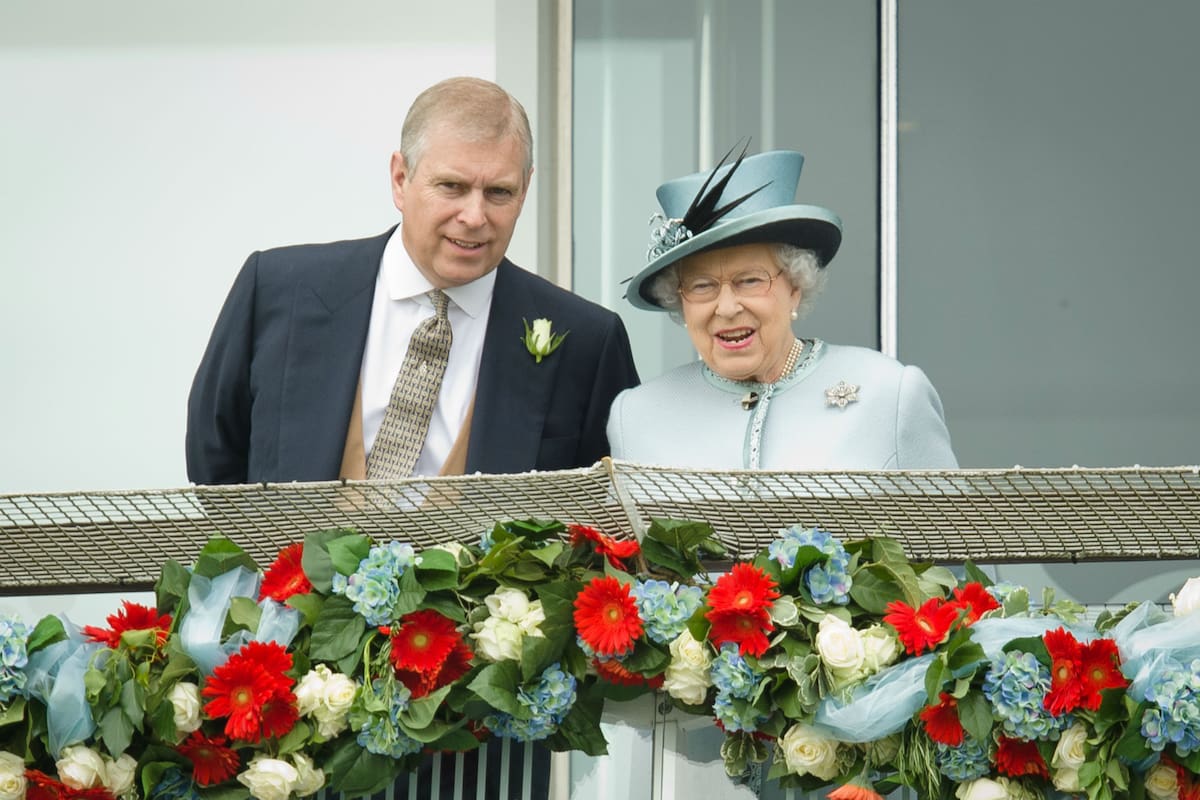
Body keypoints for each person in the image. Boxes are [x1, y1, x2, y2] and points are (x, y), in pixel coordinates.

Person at [185, 76, 639, 799]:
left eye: (500, 193)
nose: (473, 217)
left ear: (526, 191)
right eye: (452, 186)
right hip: (284, 702)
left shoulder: (585, 339)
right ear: (400, 177)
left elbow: (607, 525)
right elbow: (215, 455)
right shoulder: (280, 289)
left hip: (483, 732)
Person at [608, 145, 956, 470]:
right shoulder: (636, 416)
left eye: (750, 280)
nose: (726, 308)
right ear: (680, 302)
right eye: (702, 286)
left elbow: (950, 534)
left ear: (795, 286)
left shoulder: (889, 393)